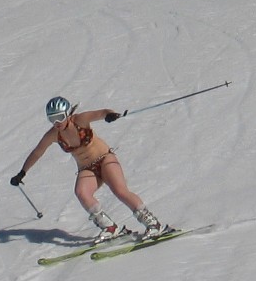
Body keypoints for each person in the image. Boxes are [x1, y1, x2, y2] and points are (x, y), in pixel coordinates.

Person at [10, 97, 172, 243]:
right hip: (87, 169)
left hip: (104, 159)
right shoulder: (53, 134)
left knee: (120, 190)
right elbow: (37, 152)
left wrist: (109, 115)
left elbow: (101, 113)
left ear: (67, 114)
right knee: (81, 192)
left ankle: (153, 224)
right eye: (52, 119)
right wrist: (22, 172)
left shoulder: (80, 120)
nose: (56, 122)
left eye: (59, 117)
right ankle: (110, 227)